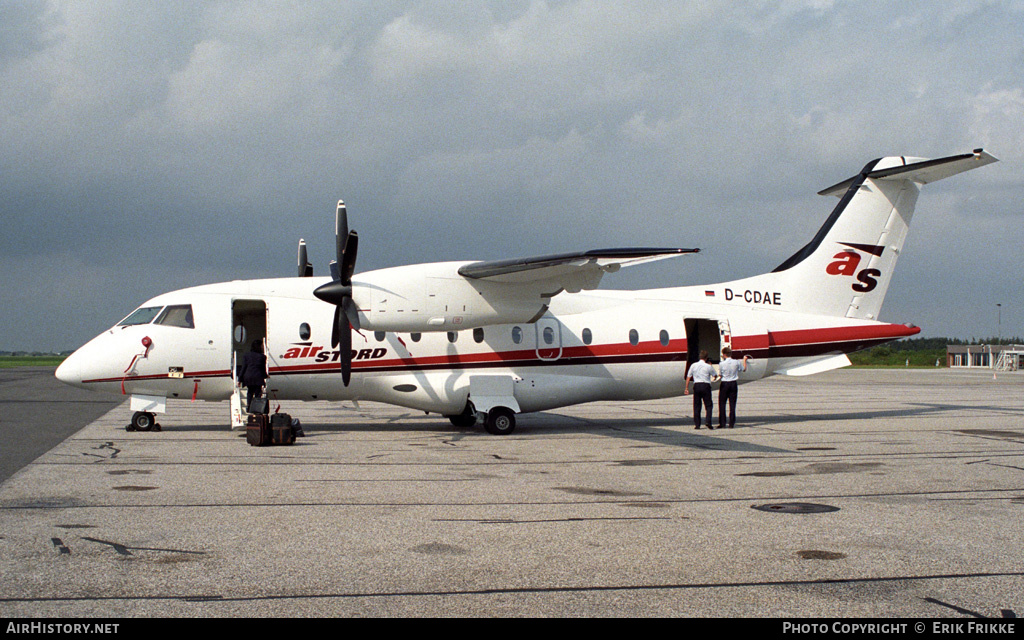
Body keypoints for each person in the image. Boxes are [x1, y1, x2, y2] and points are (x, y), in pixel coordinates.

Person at [718, 347, 751, 428]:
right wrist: (744, 360)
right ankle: (731, 423)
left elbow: (720, 374)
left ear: (724, 355)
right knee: (732, 404)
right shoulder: (736, 362)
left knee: (722, 404)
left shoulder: (721, 364)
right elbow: (743, 369)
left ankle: (722, 423)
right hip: (733, 383)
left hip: (725, 383)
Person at [684, 350, 718, 429]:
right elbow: (715, 375)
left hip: (697, 385)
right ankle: (708, 421)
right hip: (705, 385)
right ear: (706, 358)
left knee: (697, 405)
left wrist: (686, 388)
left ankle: (697, 424)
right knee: (708, 405)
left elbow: (688, 377)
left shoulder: (693, 365)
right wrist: (711, 367)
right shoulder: (708, 366)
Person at [238, 340, 268, 413]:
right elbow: (262, 369)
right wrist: (266, 376)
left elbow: (244, 368)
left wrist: (239, 379)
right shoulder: (262, 357)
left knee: (250, 392)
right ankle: (256, 408)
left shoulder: (246, 355)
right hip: (258, 377)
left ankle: (249, 406)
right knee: (257, 393)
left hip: (248, 377)